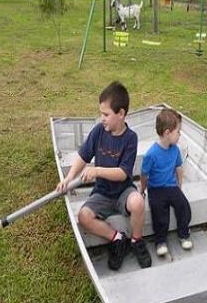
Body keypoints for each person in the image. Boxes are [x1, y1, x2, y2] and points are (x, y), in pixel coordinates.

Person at [56, 81, 151, 270]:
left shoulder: (130, 138)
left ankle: (136, 240)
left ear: (121, 114)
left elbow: (123, 173)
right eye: (101, 114)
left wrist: (97, 171)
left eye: (106, 114)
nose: (102, 118)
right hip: (102, 193)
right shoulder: (99, 131)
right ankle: (117, 238)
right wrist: (69, 177)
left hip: (123, 190)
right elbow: (83, 156)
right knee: (84, 216)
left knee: (138, 202)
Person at [140, 108, 193, 256]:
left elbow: (178, 167)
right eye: (178, 132)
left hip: (171, 187)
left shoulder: (175, 150)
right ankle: (160, 241)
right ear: (167, 133)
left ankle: (183, 234)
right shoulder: (151, 154)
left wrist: (179, 186)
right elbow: (144, 174)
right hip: (156, 189)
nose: (180, 135)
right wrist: (142, 189)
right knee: (159, 212)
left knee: (183, 205)